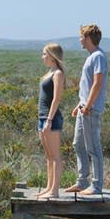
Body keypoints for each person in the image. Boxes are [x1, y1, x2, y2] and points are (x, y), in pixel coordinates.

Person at [64, 23, 108, 196]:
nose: (80, 39)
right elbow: (89, 85)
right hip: (85, 108)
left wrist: (88, 106)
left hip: (91, 109)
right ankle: (82, 182)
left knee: (93, 147)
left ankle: (96, 185)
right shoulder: (92, 56)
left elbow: (97, 83)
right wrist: (80, 104)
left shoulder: (98, 56)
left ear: (88, 38)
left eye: (82, 36)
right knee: (78, 144)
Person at [36, 42, 66, 198]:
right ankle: (48, 187)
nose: (42, 57)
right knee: (48, 156)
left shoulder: (58, 74)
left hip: (51, 119)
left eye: (44, 54)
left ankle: (54, 191)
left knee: (55, 156)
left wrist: (49, 119)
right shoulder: (49, 73)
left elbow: (57, 98)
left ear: (52, 56)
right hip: (42, 118)